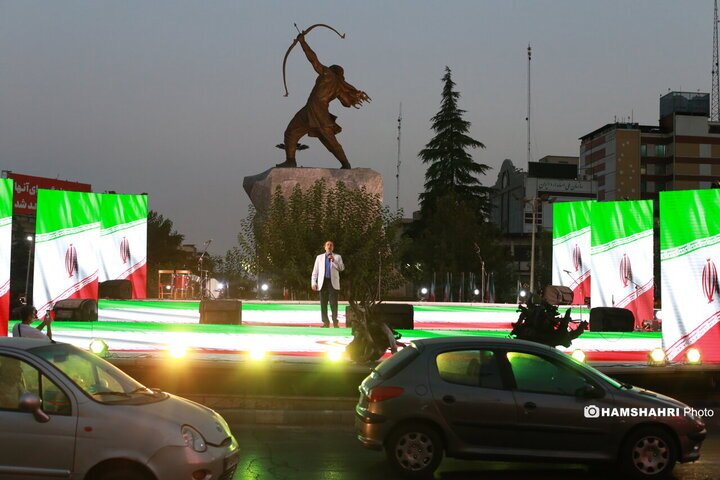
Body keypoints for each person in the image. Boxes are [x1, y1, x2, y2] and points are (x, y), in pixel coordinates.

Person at [277, 32, 371, 169]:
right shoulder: (339, 86)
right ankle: (290, 161)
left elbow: (313, 60)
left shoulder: (328, 74)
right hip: (310, 110)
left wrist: (303, 42)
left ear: (332, 70)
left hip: (318, 113)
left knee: (329, 141)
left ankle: (345, 164)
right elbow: (345, 103)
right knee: (292, 132)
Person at [311, 241, 345, 327]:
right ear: (325, 247)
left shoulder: (337, 257)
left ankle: (335, 322)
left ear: (333, 247)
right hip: (322, 283)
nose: (329, 246)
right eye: (327, 245)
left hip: (333, 283)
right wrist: (313, 282)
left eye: (331, 245)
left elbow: (341, 268)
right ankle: (325, 322)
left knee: (333, 303)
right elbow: (315, 271)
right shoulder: (319, 257)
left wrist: (334, 261)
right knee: (323, 303)